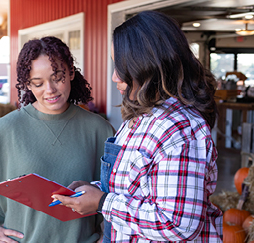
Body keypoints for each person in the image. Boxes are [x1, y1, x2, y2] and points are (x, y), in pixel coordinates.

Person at [53, 11, 223, 242]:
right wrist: (93, 190)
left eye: (121, 67)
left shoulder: (180, 129)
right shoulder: (138, 118)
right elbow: (138, 188)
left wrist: (103, 202)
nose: (114, 77)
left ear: (147, 66)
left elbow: (177, 224)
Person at [0, 36, 115, 243]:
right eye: (38, 83)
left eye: (57, 77)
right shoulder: (5, 129)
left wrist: (107, 235)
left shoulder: (100, 129)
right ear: (28, 84)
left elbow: (118, 193)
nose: (49, 89)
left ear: (71, 72)